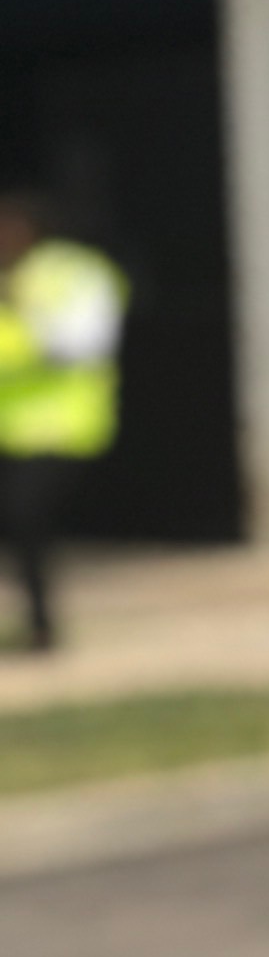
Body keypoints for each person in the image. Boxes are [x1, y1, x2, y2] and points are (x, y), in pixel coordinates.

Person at [0, 197, 129, 653]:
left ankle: (41, 627)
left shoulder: (74, 272)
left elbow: (83, 343)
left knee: (25, 516)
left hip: (64, 430)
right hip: (11, 430)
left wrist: (22, 306)